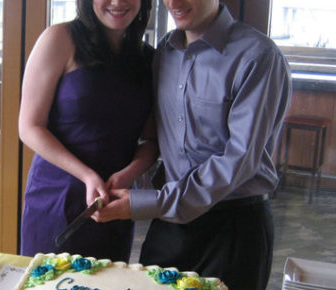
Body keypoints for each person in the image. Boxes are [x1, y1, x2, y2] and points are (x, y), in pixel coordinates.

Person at [93, 0, 291, 289]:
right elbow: (158, 136)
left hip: (233, 226)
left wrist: (148, 203)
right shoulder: (164, 52)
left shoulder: (258, 56)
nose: (174, 2)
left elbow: (240, 159)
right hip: (169, 225)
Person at [18, 0, 157, 262]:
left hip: (114, 203)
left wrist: (129, 174)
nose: (118, 2)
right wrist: (86, 175)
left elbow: (152, 140)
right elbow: (29, 127)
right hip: (55, 197)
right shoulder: (59, 38)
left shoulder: (149, 58)